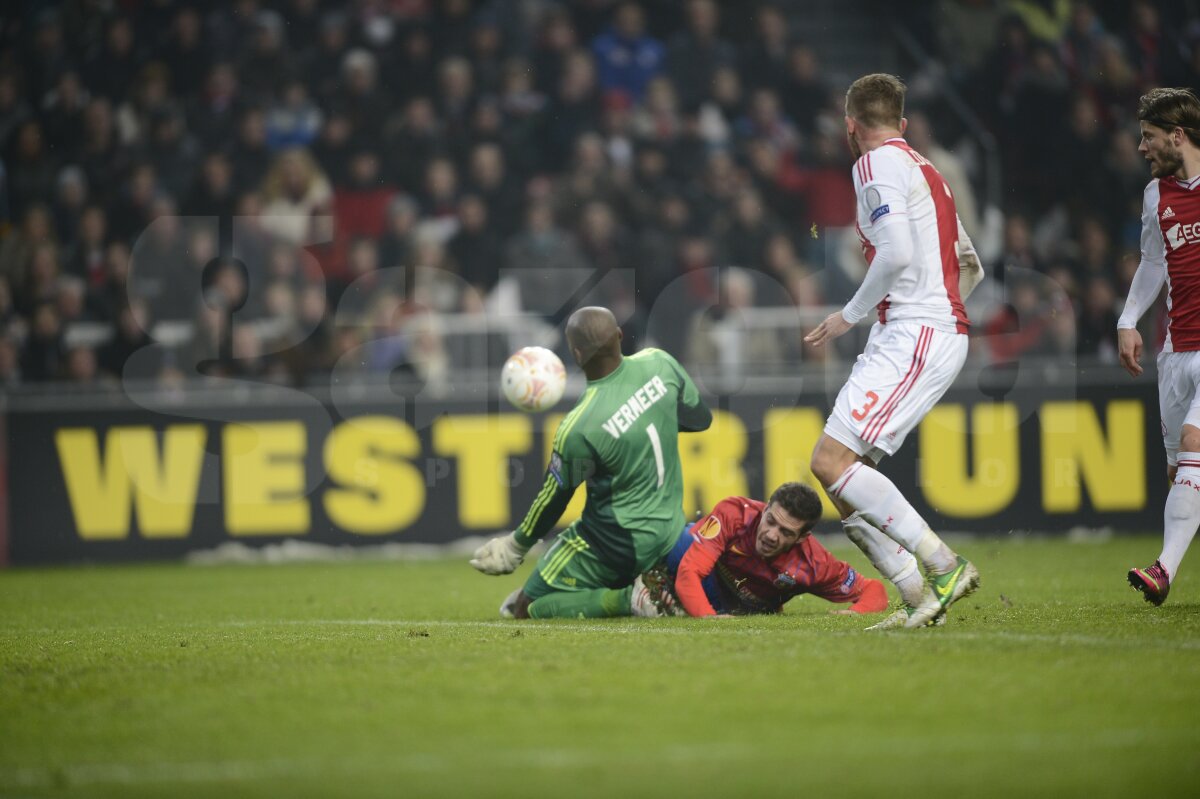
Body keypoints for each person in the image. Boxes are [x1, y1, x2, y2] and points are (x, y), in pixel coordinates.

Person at [804, 73, 984, 629]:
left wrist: (848, 316)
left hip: (915, 331)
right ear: (902, 125)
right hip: (921, 329)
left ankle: (942, 565)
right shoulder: (929, 171)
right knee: (840, 478)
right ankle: (915, 594)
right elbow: (970, 262)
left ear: (850, 126)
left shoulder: (873, 164)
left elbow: (898, 253)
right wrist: (942, 309)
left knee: (829, 463)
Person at [470, 306, 713, 619]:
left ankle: (632, 598)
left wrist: (515, 547)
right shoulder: (660, 363)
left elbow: (553, 499)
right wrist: (647, 419)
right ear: (620, 336)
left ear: (575, 354)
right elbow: (700, 419)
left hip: (613, 544)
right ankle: (643, 582)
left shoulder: (580, 427)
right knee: (557, 591)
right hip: (669, 530)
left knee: (524, 608)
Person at [1117, 87, 1200, 606]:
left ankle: (1162, 570)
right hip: (1176, 350)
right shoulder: (1156, 196)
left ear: (1178, 135)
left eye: (1148, 137)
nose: (1141, 148)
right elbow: (1152, 263)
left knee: (1195, 447)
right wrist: (1128, 320)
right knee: (1181, 472)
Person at [664, 482, 889, 617]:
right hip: (704, 573)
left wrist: (854, 614)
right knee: (678, 544)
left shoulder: (815, 564)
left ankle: (664, 599)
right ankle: (651, 585)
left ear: (802, 537)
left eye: (786, 532)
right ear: (766, 507)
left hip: (743, 604)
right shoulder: (734, 514)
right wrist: (705, 617)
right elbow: (689, 572)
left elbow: (873, 590)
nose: (771, 535)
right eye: (770, 520)